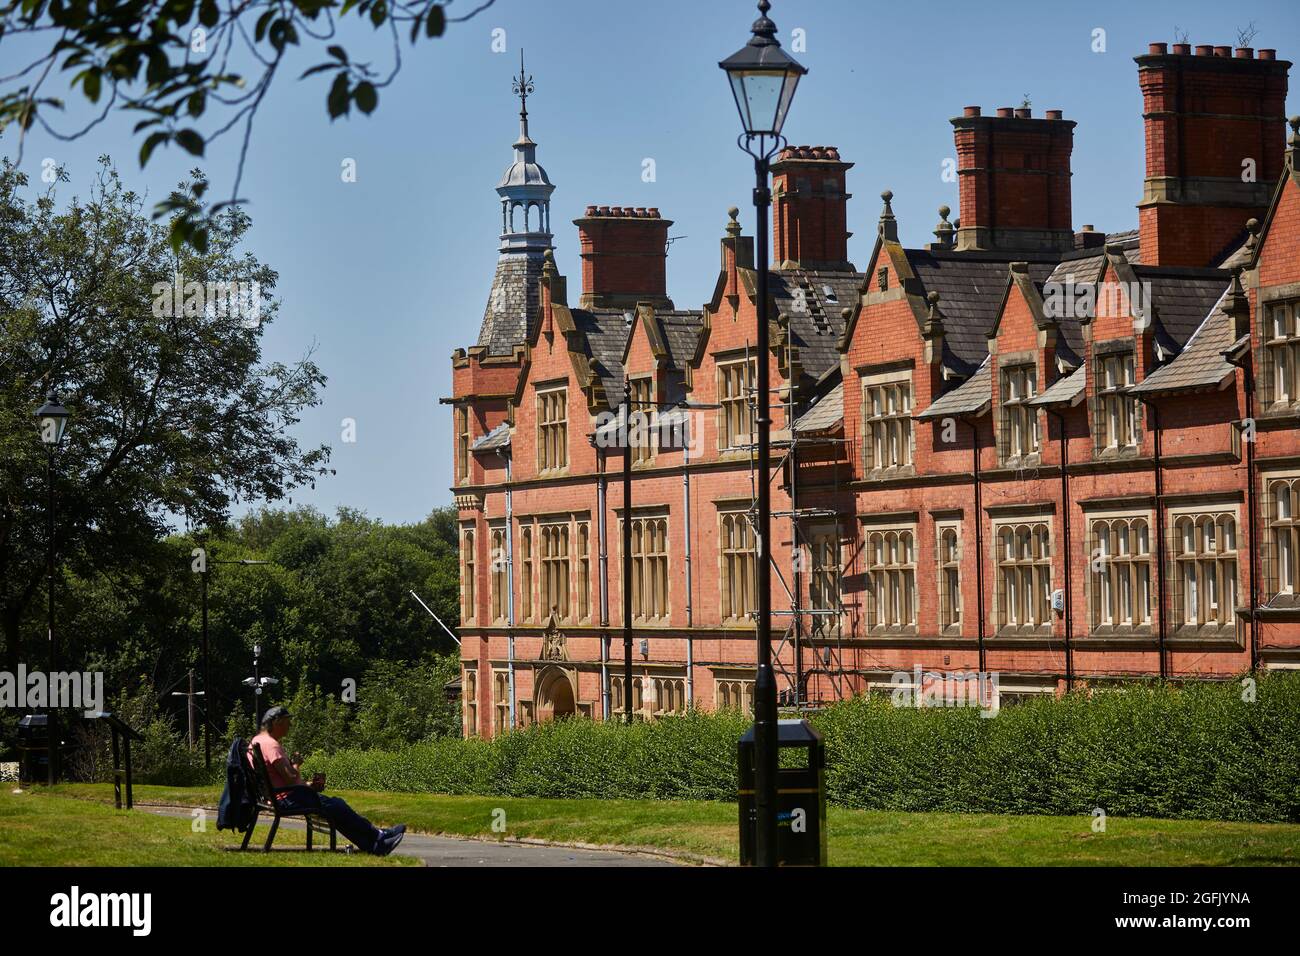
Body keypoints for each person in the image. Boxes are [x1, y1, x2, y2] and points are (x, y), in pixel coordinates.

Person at [247, 706, 406, 856]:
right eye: (287, 721)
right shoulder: (271, 745)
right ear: (277, 722)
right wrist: (296, 763)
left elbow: (281, 779)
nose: (290, 725)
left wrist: (308, 785)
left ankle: (375, 840)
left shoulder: (257, 741)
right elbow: (289, 777)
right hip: (289, 799)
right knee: (338, 806)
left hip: (282, 797)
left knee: (337, 808)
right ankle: (378, 838)